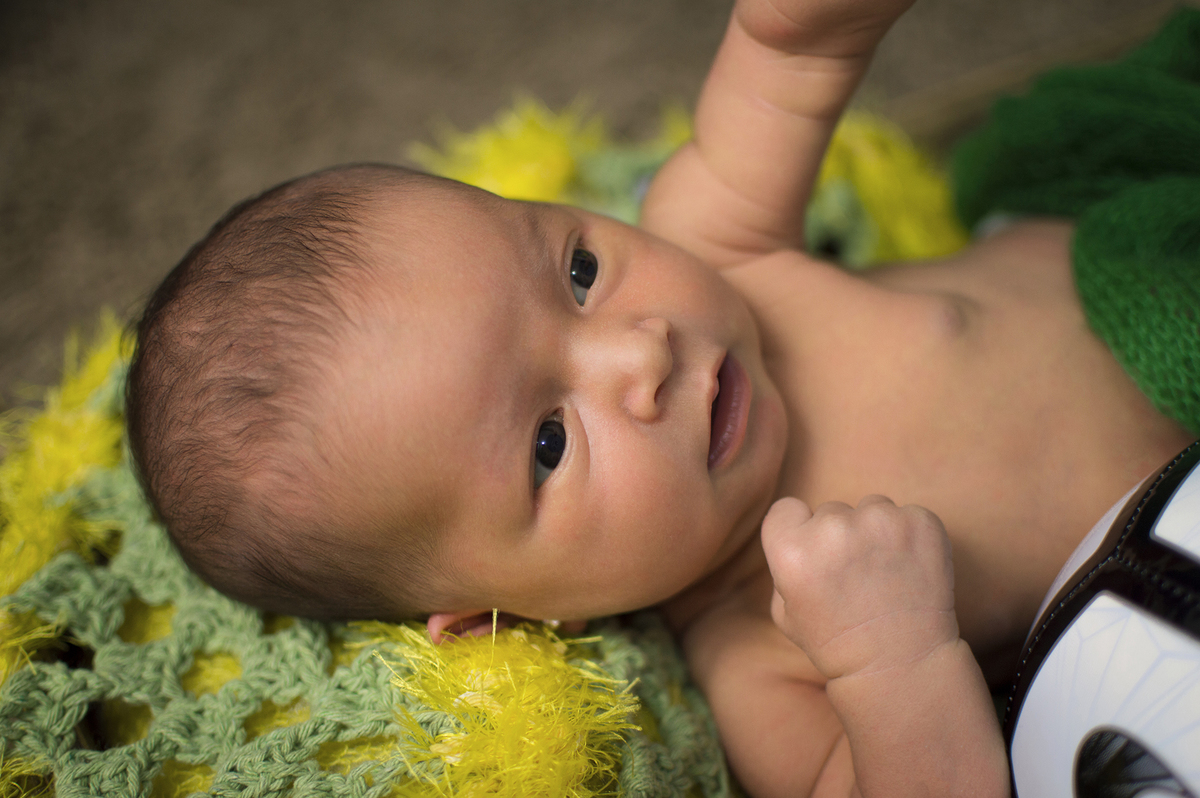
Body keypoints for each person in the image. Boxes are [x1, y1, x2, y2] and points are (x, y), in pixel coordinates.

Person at [125, 0, 1197, 794]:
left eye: (578, 271)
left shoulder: (714, 235)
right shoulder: (765, 654)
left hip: (1148, 241)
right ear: (510, 614)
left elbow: (791, 52)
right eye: (548, 444)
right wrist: (896, 657)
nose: (638, 357)